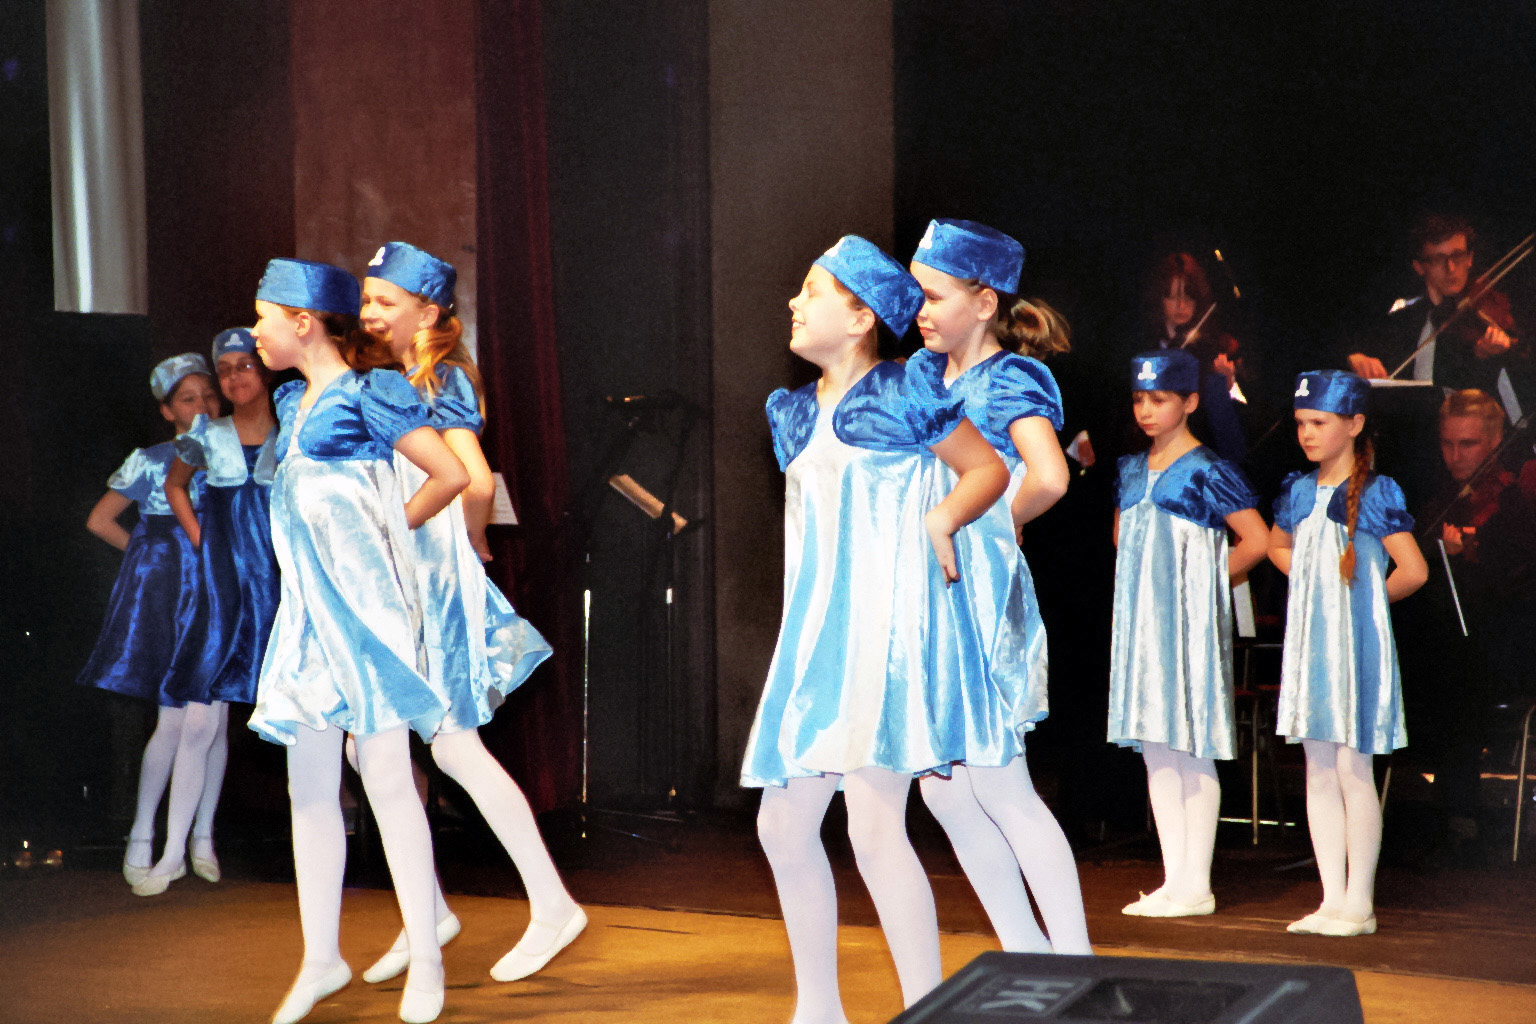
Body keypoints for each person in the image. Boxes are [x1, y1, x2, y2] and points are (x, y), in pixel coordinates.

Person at [742, 235, 1009, 1022]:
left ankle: (923, 1007)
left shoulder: (902, 392)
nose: (793, 303)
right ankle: (819, 1008)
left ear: (861, 318)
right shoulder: (792, 411)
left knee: (872, 820)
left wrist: (943, 518)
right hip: (815, 640)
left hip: (885, 636)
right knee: (782, 824)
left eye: (812, 290)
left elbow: (987, 468)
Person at [247, 258, 469, 1024]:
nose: (255, 332)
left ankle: (428, 956)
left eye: (263, 317)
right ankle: (322, 958)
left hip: (368, 617)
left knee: (385, 777)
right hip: (307, 620)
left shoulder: (368, 394)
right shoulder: (293, 402)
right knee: (308, 788)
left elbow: (448, 475)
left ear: (303, 321)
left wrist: (385, 534)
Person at [355, 241, 582, 985]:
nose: (369, 312)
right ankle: (429, 911)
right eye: (366, 299)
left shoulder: (441, 379)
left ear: (428, 313)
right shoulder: (397, 379)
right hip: (411, 580)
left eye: (385, 301)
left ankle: (550, 904)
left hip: (431, 581)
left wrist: (470, 544)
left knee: (450, 749)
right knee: (370, 749)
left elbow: (474, 480)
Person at [902, 218, 1091, 955]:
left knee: (1001, 783)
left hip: (978, 592)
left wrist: (995, 524)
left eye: (935, 296)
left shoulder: (1009, 377)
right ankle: (1025, 951)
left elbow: (1051, 475)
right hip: (932, 591)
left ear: (984, 303)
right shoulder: (924, 375)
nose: (920, 310)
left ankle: (1072, 958)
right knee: (945, 789)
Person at [1108, 349, 1268, 917]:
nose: (1146, 411)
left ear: (1191, 402)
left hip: (1188, 628)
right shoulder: (1130, 469)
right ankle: (1173, 878)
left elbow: (1256, 539)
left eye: (1159, 400)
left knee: (1191, 748)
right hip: (1142, 628)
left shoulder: (1207, 469)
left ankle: (1196, 882)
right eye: (1139, 400)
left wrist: (1202, 583)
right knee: (1157, 749)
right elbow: (1122, 539)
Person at [1268, 370, 1427, 936]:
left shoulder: (1377, 491)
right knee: (1317, 769)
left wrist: (1364, 602)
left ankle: (1360, 903)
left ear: (1355, 424)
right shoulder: (1297, 491)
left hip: (1355, 647)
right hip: (1312, 647)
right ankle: (1330, 898)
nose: (1307, 434)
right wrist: (1311, 581)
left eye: (1319, 422)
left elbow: (1414, 570)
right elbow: (1276, 544)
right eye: (1300, 424)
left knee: (1353, 768)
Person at [130, 329, 281, 896]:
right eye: (227, 369)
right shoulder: (207, 436)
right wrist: (203, 542)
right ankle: (172, 851)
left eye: (247, 365)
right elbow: (176, 487)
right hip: (220, 593)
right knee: (197, 721)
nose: (237, 377)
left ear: (265, 371)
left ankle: (204, 840)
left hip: (278, 589)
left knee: (293, 722)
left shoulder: (291, 429)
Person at [77, 353, 220, 889]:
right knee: (176, 720)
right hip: (171, 599)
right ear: (167, 410)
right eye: (188, 398)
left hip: (221, 591)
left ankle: (201, 835)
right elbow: (100, 519)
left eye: (209, 396)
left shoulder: (234, 454)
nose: (202, 406)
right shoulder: (152, 460)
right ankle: (144, 833)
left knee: (213, 719)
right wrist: (150, 557)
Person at [1409, 390, 1536, 850]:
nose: (1456, 455)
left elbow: (1517, 582)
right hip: (1457, 641)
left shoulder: (1518, 497)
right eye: (1447, 443)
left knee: (1458, 673)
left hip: (1511, 643)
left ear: (1495, 441)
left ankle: (1458, 806)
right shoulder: (1440, 498)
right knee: (1431, 661)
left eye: (1468, 444)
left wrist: (1470, 553)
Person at [1346, 214, 1520, 393]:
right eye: (1438, 259)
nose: (1450, 268)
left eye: (1457, 256)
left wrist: (1482, 355)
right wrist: (1355, 357)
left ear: (1470, 259)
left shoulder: (1485, 310)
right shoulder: (1403, 318)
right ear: (1419, 267)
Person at [1131, 253, 1249, 463]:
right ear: (1159, 298)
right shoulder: (1143, 346)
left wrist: (1229, 387)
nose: (1181, 305)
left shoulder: (1218, 346)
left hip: (1201, 455)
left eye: (1189, 296)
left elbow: (1239, 422)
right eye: (1172, 296)